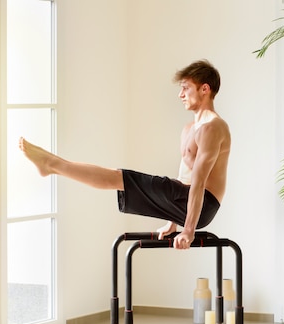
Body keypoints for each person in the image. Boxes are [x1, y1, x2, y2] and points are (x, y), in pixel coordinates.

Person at [19, 59, 231, 250]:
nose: (180, 94)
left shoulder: (213, 128)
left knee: (119, 178)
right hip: (186, 200)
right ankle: (53, 165)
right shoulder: (189, 128)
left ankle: (52, 165)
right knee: (119, 178)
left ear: (204, 89)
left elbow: (199, 181)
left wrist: (188, 231)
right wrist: (173, 221)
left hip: (204, 205)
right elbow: (185, 175)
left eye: (185, 88)